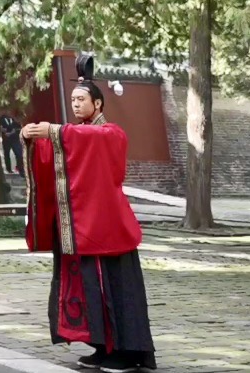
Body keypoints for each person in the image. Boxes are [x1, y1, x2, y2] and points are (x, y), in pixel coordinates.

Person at [21, 55, 156, 373]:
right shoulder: (73, 135)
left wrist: (55, 131)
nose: (77, 104)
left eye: (82, 99)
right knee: (88, 289)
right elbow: (61, 149)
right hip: (82, 228)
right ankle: (100, 345)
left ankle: (125, 351)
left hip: (108, 228)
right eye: (73, 100)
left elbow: (87, 140)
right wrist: (31, 140)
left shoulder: (111, 133)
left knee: (114, 289)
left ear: (98, 103)